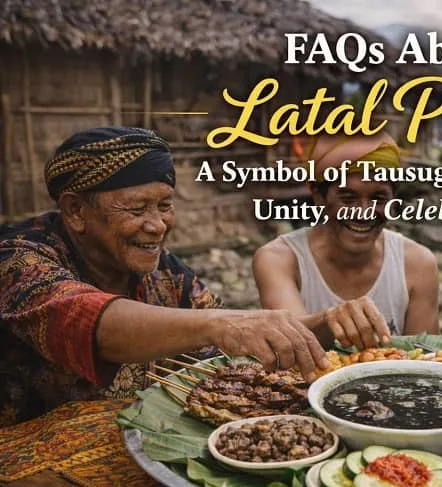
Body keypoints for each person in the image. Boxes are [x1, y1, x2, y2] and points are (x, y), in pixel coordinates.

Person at [0, 126, 328, 426]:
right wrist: (219, 324)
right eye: (137, 209)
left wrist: (326, 324)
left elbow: (238, 343)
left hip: (134, 447)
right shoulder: (18, 259)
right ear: (75, 211)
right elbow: (89, 322)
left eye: (165, 205)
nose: (158, 225)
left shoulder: (164, 271)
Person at [253, 132, 439, 349]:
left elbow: (424, 361)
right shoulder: (280, 259)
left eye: (378, 198)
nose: (363, 212)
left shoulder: (418, 264)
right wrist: (329, 319)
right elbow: (291, 339)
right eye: (348, 199)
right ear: (319, 197)